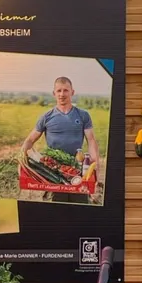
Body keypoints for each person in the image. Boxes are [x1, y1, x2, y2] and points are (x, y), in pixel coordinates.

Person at [19, 76, 101, 204]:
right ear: (54, 93)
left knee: (80, 204)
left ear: (72, 92)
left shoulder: (83, 115)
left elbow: (91, 140)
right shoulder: (46, 117)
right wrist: (22, 158)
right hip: (53, 170)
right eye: (59, 91)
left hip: (76, 168)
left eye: (65, 90)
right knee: (56, 207)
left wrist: (95, 165)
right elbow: (30, 140)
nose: (62, 94)